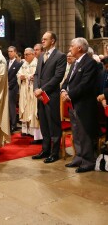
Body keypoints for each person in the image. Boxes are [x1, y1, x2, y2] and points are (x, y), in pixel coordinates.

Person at [61, 38, 99, 173]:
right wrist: (64, 90)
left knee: (84, 133)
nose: (70, 48)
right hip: (73, 103)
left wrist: (69, 94)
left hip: (84, 104)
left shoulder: (90, 63)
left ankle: (88, 160)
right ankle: (78, 156)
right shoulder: (75, 63)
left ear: (80, 48)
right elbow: (67, 80)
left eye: (72, 46)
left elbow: (85, 84)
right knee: (76, 133)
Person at [33, 31, 66, 163]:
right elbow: (36, 74)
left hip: (51, 95)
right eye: (42, 39)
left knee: (53, 124)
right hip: (40, 96)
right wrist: (36, 88)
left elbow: (58, 77)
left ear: (52, 41)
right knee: (44, 124)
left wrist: (42, 89)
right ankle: (45, 150)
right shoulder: (41, 56)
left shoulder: (60, 56)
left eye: (45, 39)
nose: (42, 41)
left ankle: (54, 152)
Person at [17, 48, 42, 142]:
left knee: (34, 110)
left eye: (27, 54)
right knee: (25, 108)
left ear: (33, 54)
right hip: (25, 90)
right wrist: (20, 77)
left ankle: (36, 134)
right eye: (24, 54)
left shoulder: (37, 63)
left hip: (33, 90)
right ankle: (26, 131)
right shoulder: (24, 64)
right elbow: (18, 74)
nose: (25, 56)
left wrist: (28, 77)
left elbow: (38, 76)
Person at [7, 46, 22, 132]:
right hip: (5, 87)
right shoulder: (6, 62)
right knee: (6, 106)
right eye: (8, 51)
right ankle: (8, 123)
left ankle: (13, 124)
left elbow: (16, 77)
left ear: (15, 52)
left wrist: (9, 85)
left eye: (11, 51)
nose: (9, 53)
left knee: (11, 106)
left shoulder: (18, 64)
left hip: (12, 87)